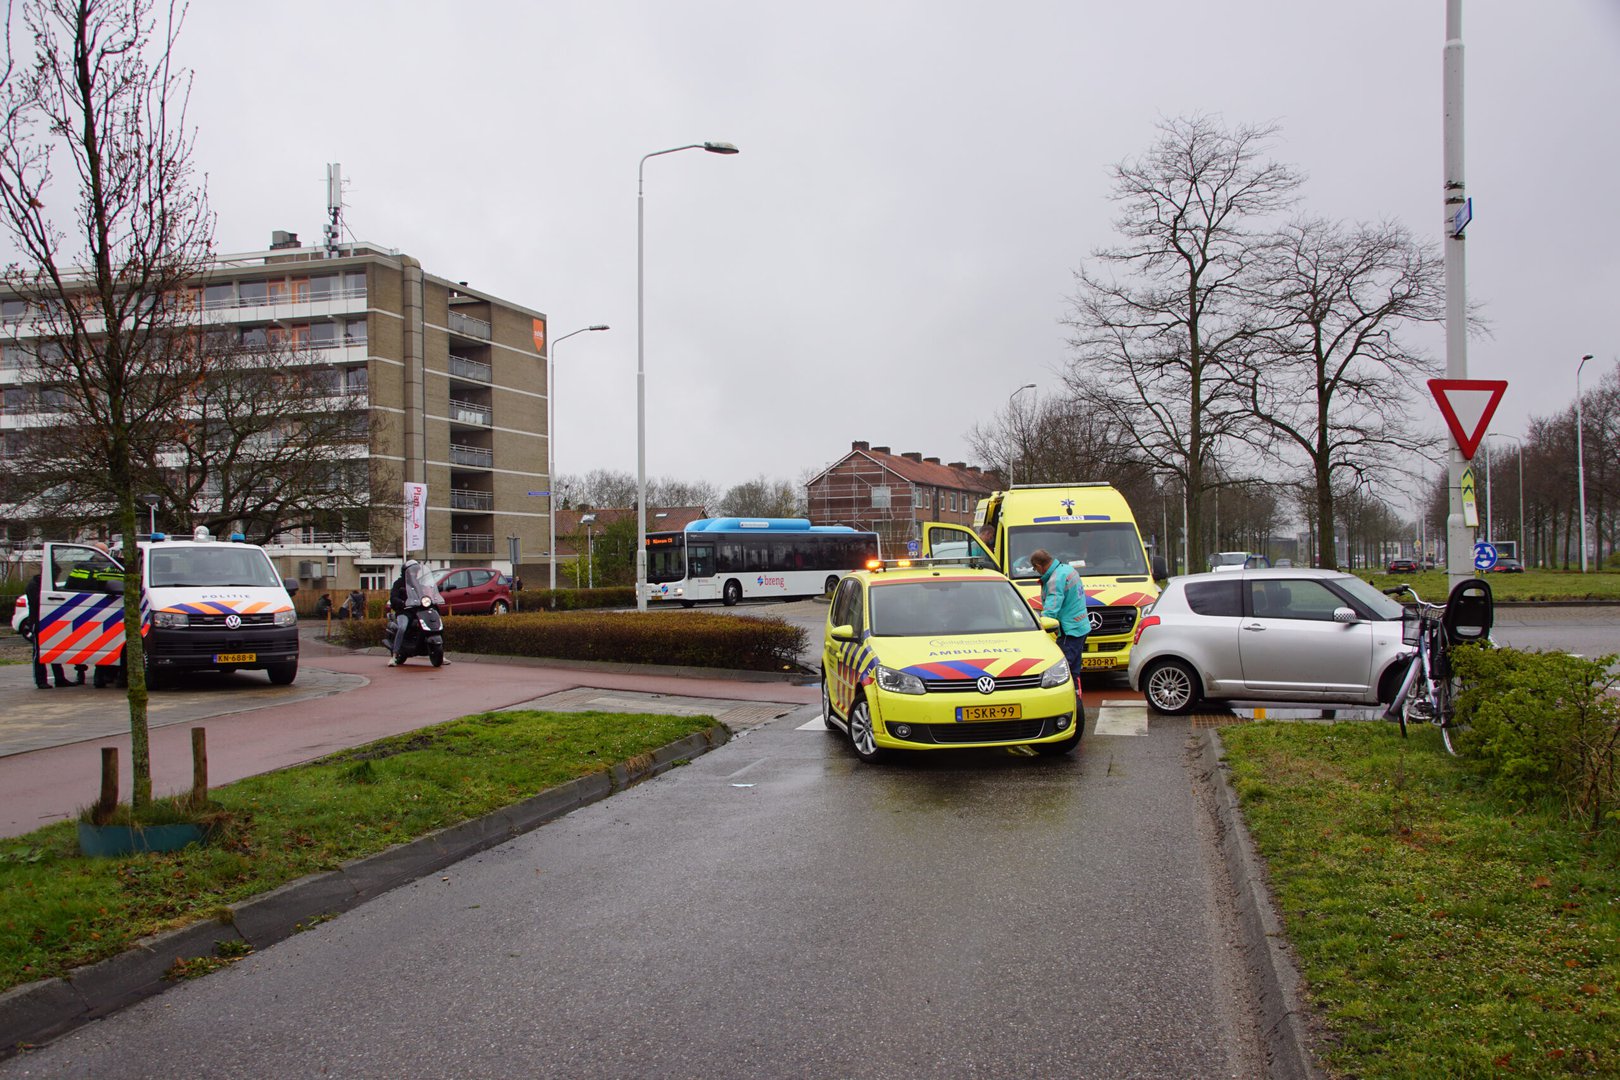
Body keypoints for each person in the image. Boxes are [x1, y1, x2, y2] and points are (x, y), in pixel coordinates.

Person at [1030, 549, 1088, 694]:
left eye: (1035, 568)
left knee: (1060, 672)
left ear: (1038, 565)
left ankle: (1067, 702)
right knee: (1073, 671)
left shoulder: (1055, 579)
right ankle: (1076, 698)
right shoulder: (1067, 569)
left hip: (1069, 630)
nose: (1036, 571)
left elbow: (1051, 608)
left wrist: (1039, 626)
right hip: (1080, 626)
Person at [24, 573, 73, 689]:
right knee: (39, 652)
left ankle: (60, 678)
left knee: (53, 649)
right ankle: (41, 680)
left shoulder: (46, 584)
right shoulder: (33, 586)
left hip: (49, 620)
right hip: (38, 621)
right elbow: (38, 602)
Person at [388, 572, 409, 664]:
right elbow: (393, 597)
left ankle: (441, 656)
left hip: (416, 611)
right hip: (403, 611)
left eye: (415, 571)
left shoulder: (417, 583)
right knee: (402, 627)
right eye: (412, 571)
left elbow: (424, 592)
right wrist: (400, 602)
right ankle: (395, 655)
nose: (414, 573)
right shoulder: (398, 583)